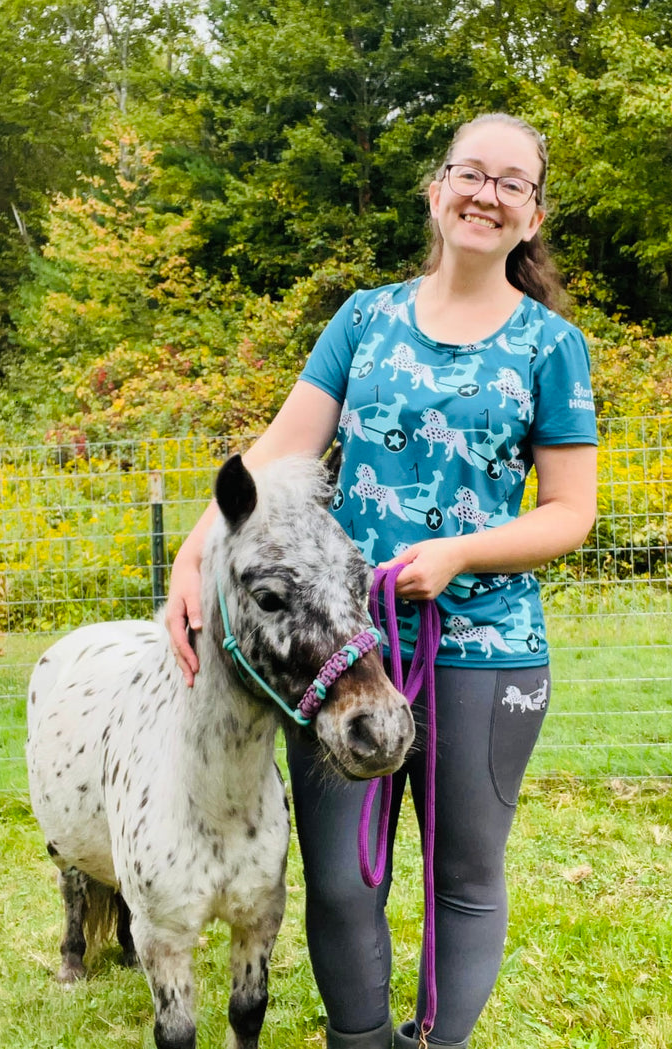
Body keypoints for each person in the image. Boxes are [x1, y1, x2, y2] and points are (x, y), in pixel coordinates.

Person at [166, 112, 598, 1049]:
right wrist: (190, 557)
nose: (487, 192)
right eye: (470, 173)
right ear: (437, 190)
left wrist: (459, 555)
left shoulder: (551, 347)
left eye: (511, 182)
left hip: (484, 650)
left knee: (465, 879)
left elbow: (571, 510)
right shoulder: (363, 318)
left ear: (532, 215)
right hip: (340, 647)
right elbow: (281, 449)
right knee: (340, 877)